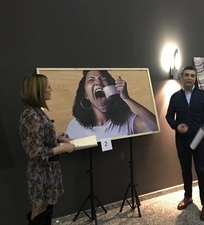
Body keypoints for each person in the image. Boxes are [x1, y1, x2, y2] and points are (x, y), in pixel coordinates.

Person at [19, 74, 76, 225]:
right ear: (38, 90)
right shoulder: (32, 116)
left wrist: (57, 138)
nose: (51, 89)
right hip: (41, 173)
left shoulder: (37, 112)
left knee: (46, 209)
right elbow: (35, 153)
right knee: (39, 210)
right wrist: (63, 148)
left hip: (48, 172)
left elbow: (39, 139)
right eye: (48, 86)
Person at [166, 65, 204, 221]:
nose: (189, 78)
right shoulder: (175, 97)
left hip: (199, 139)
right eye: (186, 75)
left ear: (195, 78)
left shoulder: (203, 95)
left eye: (192, 75)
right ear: (181, 77)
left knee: (201, 171)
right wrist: (175, 126)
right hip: (182, 141)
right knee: (185, 170)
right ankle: (188, 197)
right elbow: (168, 117)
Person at [66, 70, 158, 140]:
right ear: (85, 95)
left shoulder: (128, 121)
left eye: (103, 79)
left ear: (111, 89)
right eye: (91, 80)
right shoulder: (75, 126)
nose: (98, 82)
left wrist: (126, 98)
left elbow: (155, 127)